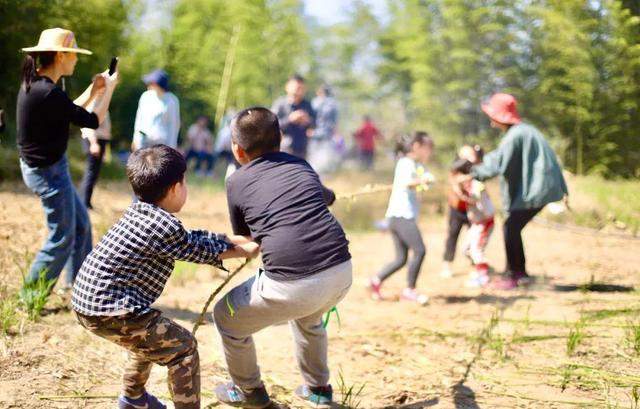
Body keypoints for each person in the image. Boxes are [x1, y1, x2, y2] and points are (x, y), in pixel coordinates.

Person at [72, 145, 260, 409]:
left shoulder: (142, 211)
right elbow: (196, 250)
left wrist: (238, 240)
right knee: (183, 348)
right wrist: (243, 250)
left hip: (90, 303)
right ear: (174, 188)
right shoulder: (163, 226)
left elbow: (191, 239)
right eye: (185, 183)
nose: (186, 189)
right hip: (108, 309)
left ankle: (133, 399)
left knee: (151, 336)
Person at [213, 107, 351, 409]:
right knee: (308, 316)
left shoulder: (236, 182)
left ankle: (250, 393)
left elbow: (248, 240)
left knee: (225, 316)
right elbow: (326, 197)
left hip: (294, 285)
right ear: (281, 139)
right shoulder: (300, 164)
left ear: (237, 150)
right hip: (341, 271)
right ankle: (318, 389)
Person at [17, 28, 118, 290]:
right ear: (61, 55)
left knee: (82, 226)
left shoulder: (40, 86)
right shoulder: (47, 92)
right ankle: (30, 296)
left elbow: (68, 109)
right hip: (47, 173)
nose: (76, 60)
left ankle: (78, 286)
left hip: (49, 168)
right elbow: (93, 120)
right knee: (62, 237)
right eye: (73, 55)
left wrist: (95, 91)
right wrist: (109, 90)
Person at [472, 93, 568, 290]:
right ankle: (517, 273)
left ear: (500, 116)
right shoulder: (522, 131)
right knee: (512, 227)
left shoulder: (515, 135)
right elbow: (500, 158)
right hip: (541, 188)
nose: (491, 121)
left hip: (539, 189)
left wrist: (472, 171)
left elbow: (498, 165)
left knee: (510, 227)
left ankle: (516, 275)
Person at [368, 132, 435, 305]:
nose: (430, 152)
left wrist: (425, 179)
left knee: (401, 259)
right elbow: (408, 182)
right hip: (401, 216)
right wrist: (424, 180)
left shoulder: (413, 164)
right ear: (416, 147)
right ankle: (409, 291)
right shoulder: (406, 163)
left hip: (397, 216)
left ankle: (375, 281)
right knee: (420, 250)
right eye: (428, 148)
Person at [451, 146, 496, 288]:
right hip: (477, 222)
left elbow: (478, 200)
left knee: (476, 250)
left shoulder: (476, 185)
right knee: (466, 249)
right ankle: (480, 270)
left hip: (484, 222)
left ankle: (483, 276)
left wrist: (464, 194)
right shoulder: (466, 184)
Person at [132, 69, 180, 150]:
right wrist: (135, 140)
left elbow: (173, 125)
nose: (148, 85)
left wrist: (171, 148)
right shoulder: (145, 96)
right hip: (143, 142)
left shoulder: (172, 100)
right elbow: (139, 120)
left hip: (162, 144)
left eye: (151, 83)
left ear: (158, 84)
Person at [271, 74, 316, 159]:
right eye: (296, 87)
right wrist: (290, 119)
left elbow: (314, 123)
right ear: (287, 87)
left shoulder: (307, 104)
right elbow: (271, 125)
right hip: (283, 150)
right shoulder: (280, 104)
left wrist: (307, 121)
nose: (299, 90)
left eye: (301, 88)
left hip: (303, 150)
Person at [78, 99, 111, 209]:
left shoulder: (102, 101)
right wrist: (94, 143)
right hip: (94, 140)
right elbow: (88, 124)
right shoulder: (94, 102)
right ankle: (84, 202)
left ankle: (85, 201)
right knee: (91, 172)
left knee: (93, 172)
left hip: (100, 141)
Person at [309, 84, 338, 174]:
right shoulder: (333, 103)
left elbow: (310, 118)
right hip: (326, 134)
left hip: (314, 134)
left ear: (319, 92)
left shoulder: (314, 102)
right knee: (325, 157)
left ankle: (315, 175)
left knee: (313, 157)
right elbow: (334, 121)